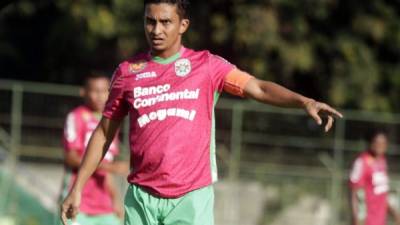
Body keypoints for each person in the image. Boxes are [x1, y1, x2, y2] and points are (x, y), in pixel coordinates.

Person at [61, 1, 343, 225]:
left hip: (190, 197)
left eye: (165, 22)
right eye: (150, 21)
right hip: (141, 197)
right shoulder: (127, 73)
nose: (156, 30)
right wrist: (78, 187)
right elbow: (103, 133)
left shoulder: (207, 66)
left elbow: (258, 88)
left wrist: (303, 101)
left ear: (183, 25)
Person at [61, 74, 128, 225]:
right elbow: (71, 158)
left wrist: (115, 199)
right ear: (83, 92)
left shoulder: (110, 123)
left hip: (104, 205)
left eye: (104, 91)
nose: (100, 96)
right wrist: (110, 167)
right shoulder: (76, 117)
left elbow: (108, 172)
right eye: (95, 91)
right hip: (79, 201)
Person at [349, 129, 400, 225]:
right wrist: (356, 218)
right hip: (366, 220)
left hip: (380, 220)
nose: (380, 145)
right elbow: (353, 192)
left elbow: (383, 193)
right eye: (377, 142)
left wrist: (395, 214)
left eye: (383, 143)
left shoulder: (382, 161)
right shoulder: (362, 162)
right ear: (371, 143)